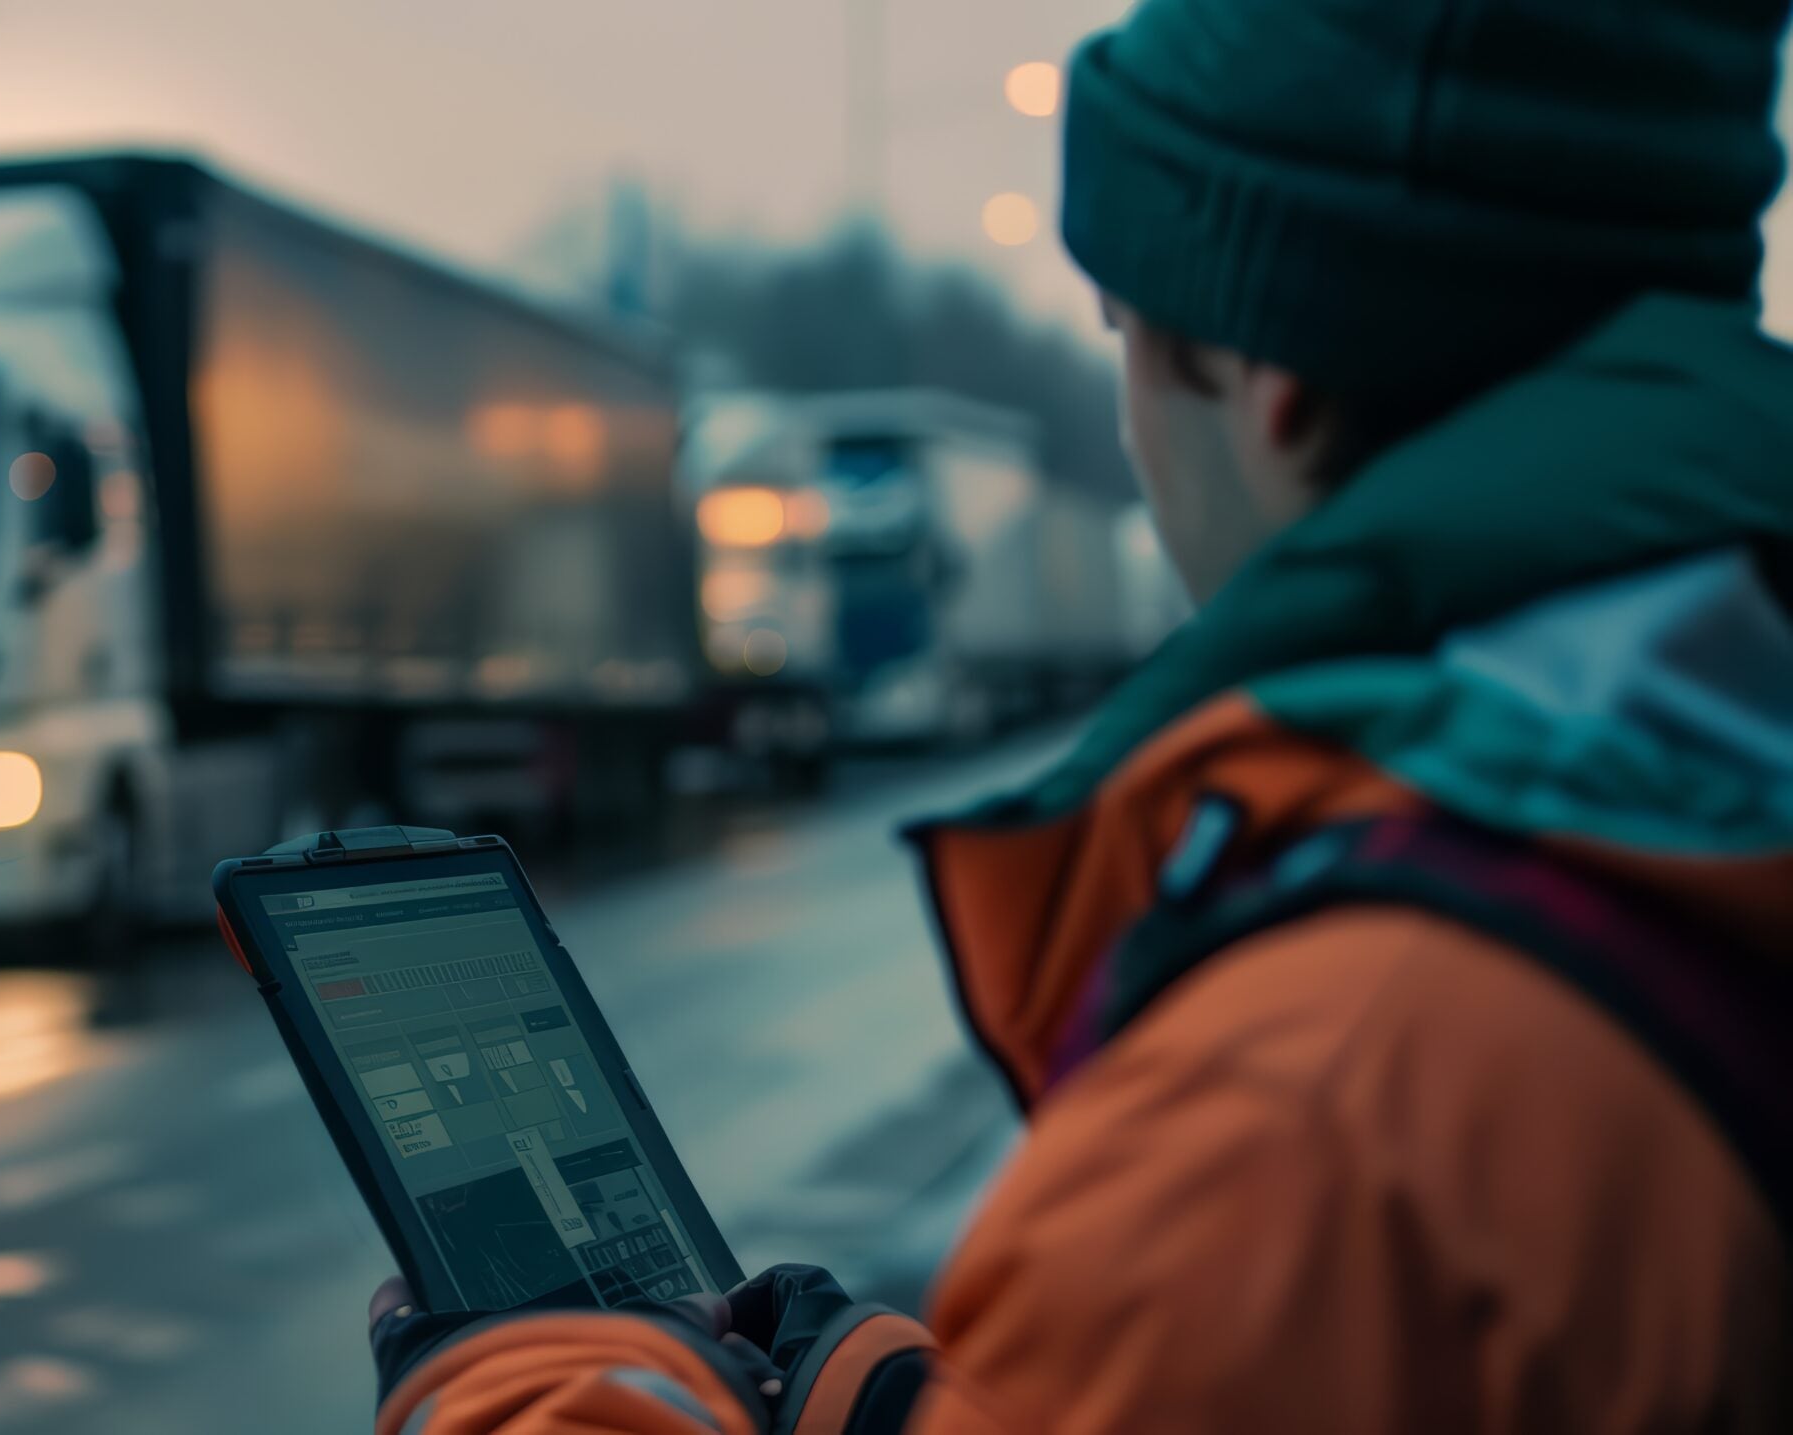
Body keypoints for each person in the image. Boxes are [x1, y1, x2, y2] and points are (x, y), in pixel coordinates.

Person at [362, 0, 1793, 1430]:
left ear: (1265, 378)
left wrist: (506, 1389)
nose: (1129, 425)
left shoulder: (1315, 1114)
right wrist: (878, 1399)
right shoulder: (1695, 772)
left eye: (1128, 335)